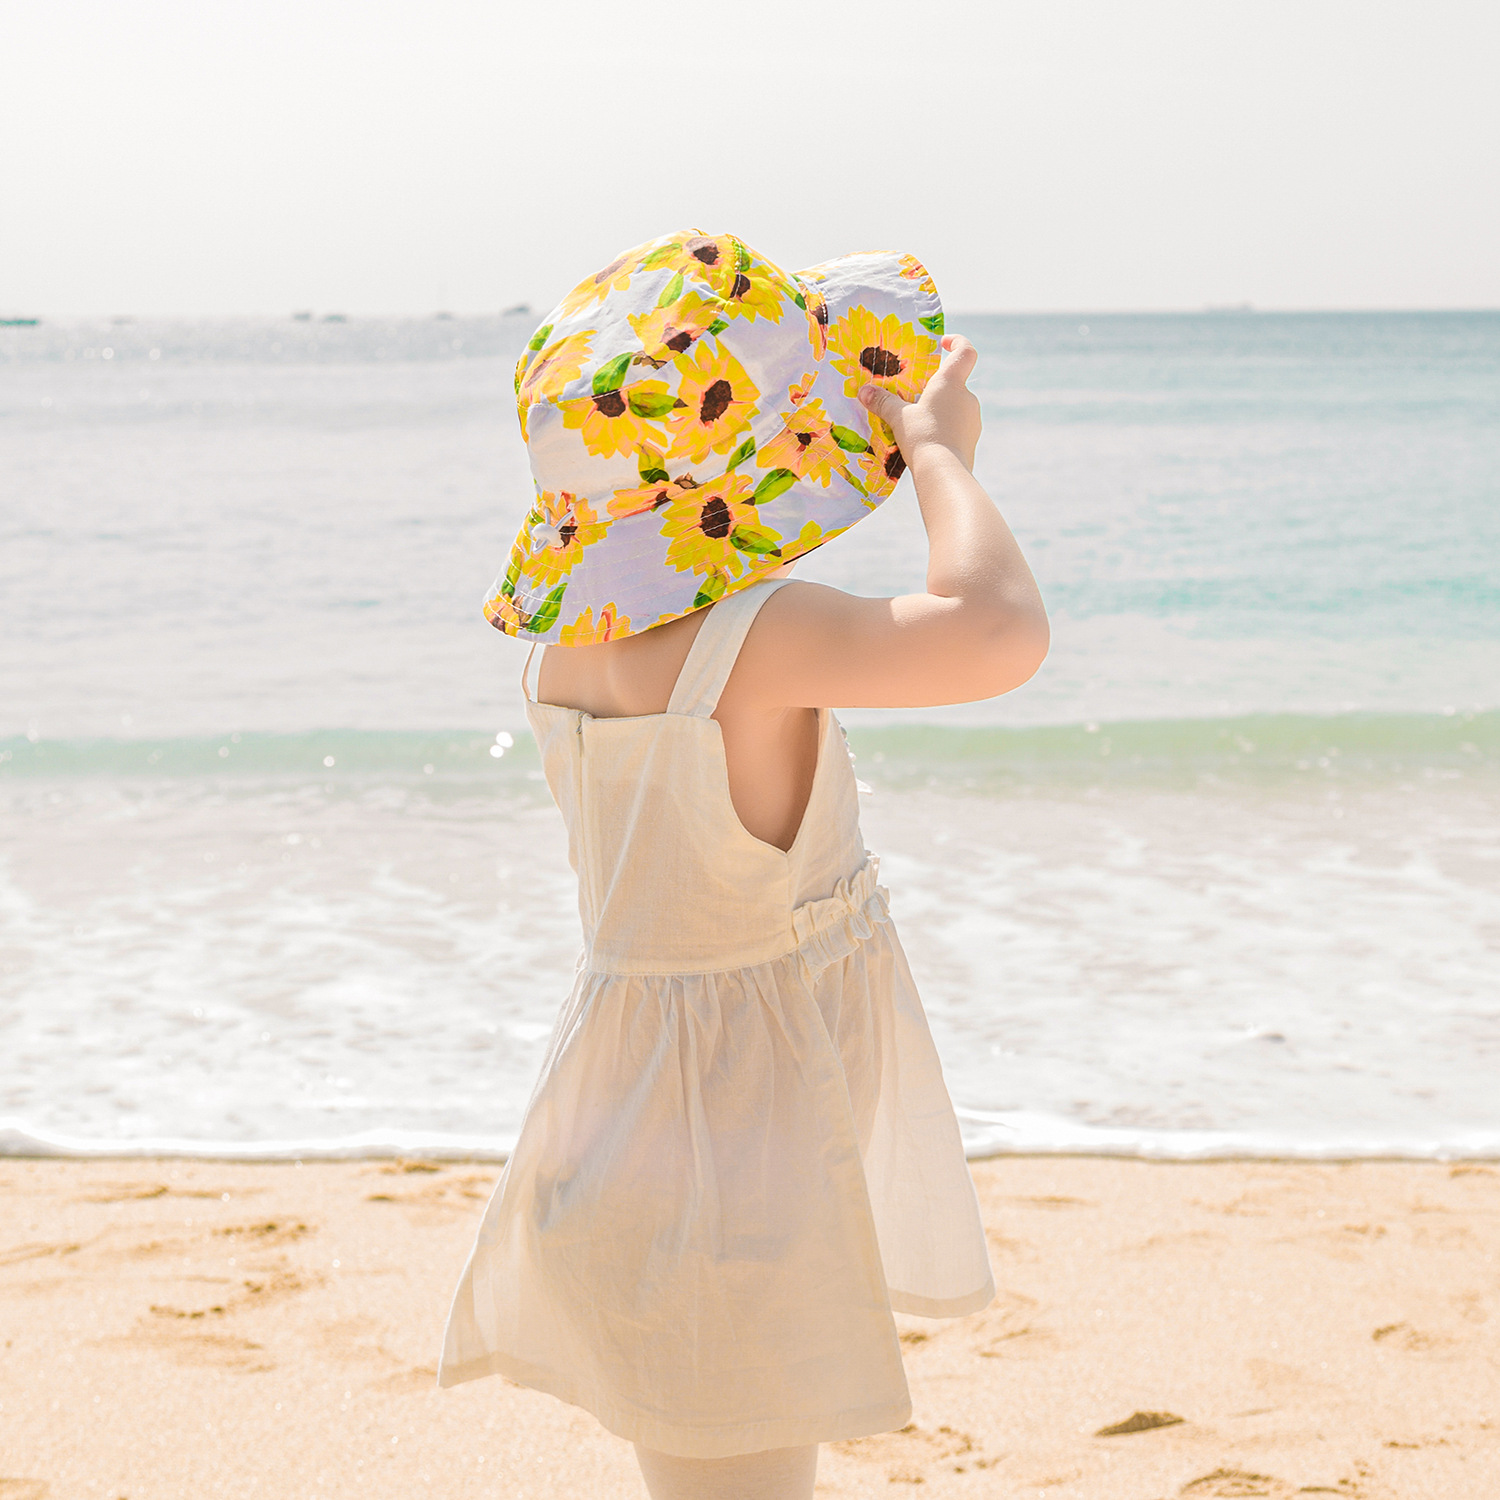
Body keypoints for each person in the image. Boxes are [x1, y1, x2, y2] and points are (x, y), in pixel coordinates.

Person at [437, 230, 1048, 1500]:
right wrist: (937, 456)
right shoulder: (752, 640)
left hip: (626, 1110)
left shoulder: (565, 652)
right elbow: (995, 631)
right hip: (737, 1150)